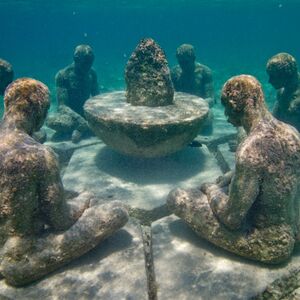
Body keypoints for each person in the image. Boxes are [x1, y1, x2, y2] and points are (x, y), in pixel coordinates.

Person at [0, 78, 128, 286]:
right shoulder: (38, 155)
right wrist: (84, 200)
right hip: (20, 253)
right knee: (117, 212)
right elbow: (61, 219)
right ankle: (18, 268)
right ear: (39, 111)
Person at [168, 75, 300, 264]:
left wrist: (211, 190)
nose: (226, 114)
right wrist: (233, 175)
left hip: (269, 243)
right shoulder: (292, 133)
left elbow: (232, 218)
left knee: (177, 197)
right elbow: (274, 171)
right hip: (296, 230)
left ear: (241, 104)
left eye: (227, 106)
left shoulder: (250, 149)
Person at [46, 45, 99, 142]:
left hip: (86, 113)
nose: (88, 66)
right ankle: (85, 129)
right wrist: (80, 120)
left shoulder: (92, 73)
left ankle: (81, 129)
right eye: (85, 63)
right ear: (76, 59)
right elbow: (62, 106)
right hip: (70, 116)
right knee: (50, 120)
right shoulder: (63, 75)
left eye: (90, 63)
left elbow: (97, 99)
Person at [267, 52, 300, 131]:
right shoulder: (281, 92)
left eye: (273, 76)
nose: (269, 81)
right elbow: (274, 120)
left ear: (285, 74)